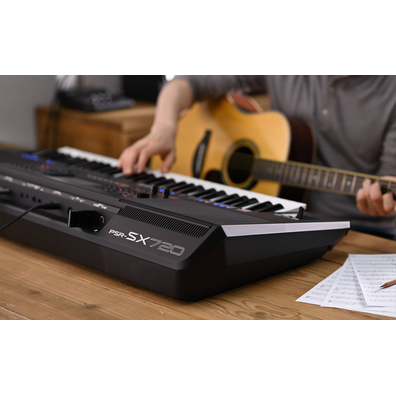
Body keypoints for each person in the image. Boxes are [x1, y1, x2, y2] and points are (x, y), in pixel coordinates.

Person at [118, 75, 396, 237]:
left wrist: (381, 199)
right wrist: (164, 129)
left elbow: (388, 182)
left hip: (360, 232)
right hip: (276, 218)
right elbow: (185, 82)